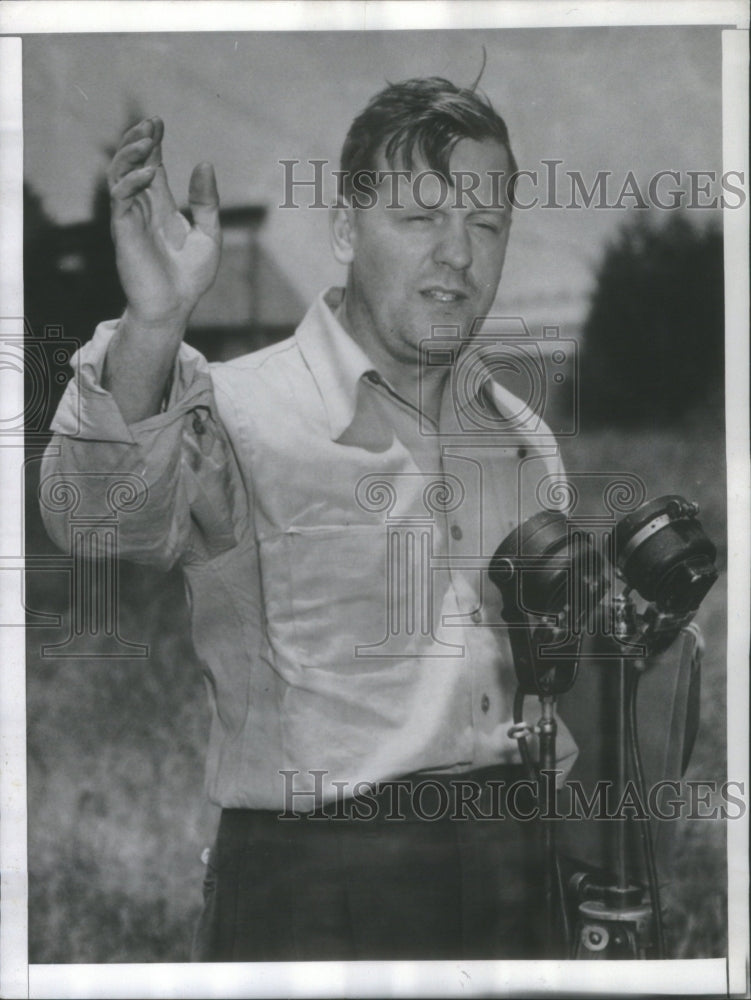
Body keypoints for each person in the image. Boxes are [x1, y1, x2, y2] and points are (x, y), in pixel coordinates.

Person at [41, 76, 577, 961]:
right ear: (343, 230)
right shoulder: (236, 408)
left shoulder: (521, 437)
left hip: (518, 879)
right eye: (420, 219)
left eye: (485, 226)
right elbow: (91, 519)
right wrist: (154, 323)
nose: (457, 256)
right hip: (316, 897)